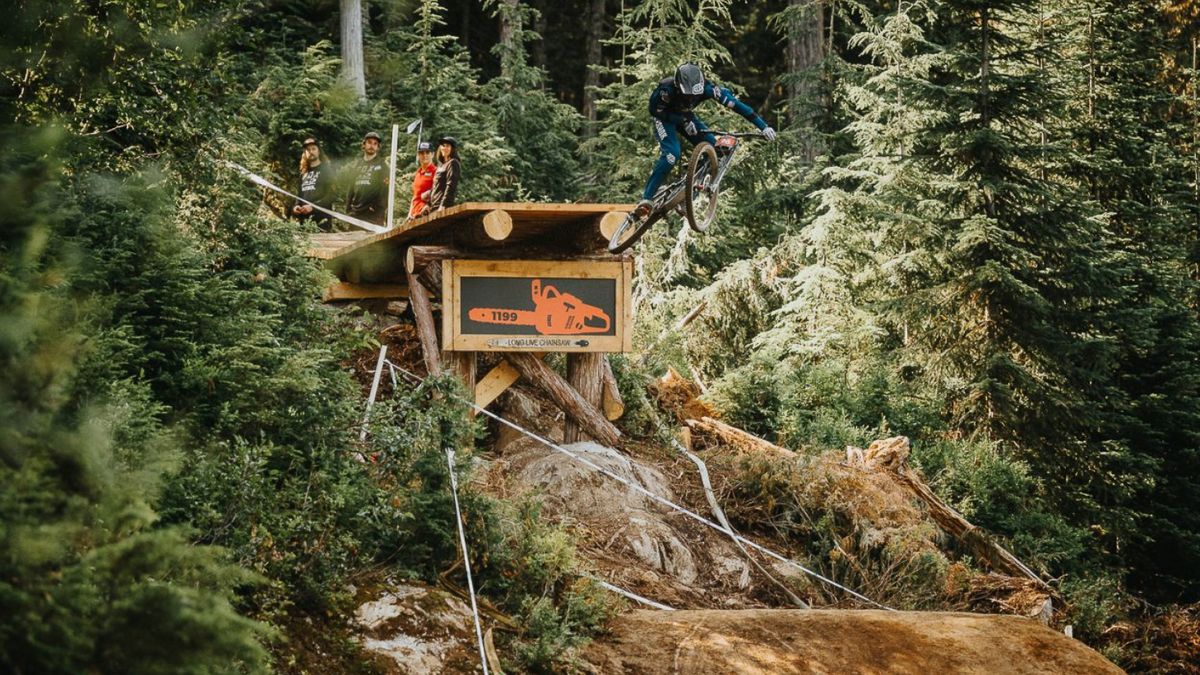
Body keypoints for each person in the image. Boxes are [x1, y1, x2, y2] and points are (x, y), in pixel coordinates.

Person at [635, 63, 776, 218]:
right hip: (664, 119)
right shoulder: (664, 91)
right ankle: (646, 198)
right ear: (677, 86)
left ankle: (688, 194)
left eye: (694, 95)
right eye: (686, 95)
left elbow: (737, 106)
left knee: (716, 148)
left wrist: (763, 127)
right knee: (671, 155)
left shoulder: (709, 90)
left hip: (686, 117)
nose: (691, 98)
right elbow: (655, 111)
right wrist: (682, 120)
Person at [345, 130, 389, 225]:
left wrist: (378, 208)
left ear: (378, 147)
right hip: (355, 212)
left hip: (373, 214)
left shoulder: (382, 165)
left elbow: (385, 190)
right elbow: (351, 188)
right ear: (364, 144)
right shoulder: (356, 165)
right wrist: (348, 208)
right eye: (369, 142)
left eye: (375, 143)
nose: (372, 146)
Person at [292, 137, 336, 230]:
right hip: (304, 223)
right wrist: (296, 206)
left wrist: (313, 207)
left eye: (313, 149)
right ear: (305, 153)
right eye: (308, 149)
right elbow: (299, 196)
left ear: (319, 151)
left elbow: (332, 195)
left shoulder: (327, 170)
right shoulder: (303, 174)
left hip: (322, 222)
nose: (310, 151)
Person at [428, 136, 461, 212]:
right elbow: (435, 187)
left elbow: (451, 185)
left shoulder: (453, 163)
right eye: (443, 145)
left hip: (442, 208)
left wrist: (443, 205)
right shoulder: (441, 166)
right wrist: (428, 204)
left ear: (452, 149)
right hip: (434, 206)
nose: (444, 148)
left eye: (447, 146)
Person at [407, 140, 437, 220]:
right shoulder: (418, 173)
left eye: (427, 152)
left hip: (426, 215)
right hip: (414, 216)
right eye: (422, 153)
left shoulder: (436, 171)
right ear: (418, 155)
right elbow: (415, 196)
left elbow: (439, 192)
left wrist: (429, 200)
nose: (425, 155)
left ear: (433, 154)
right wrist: (409, 214)